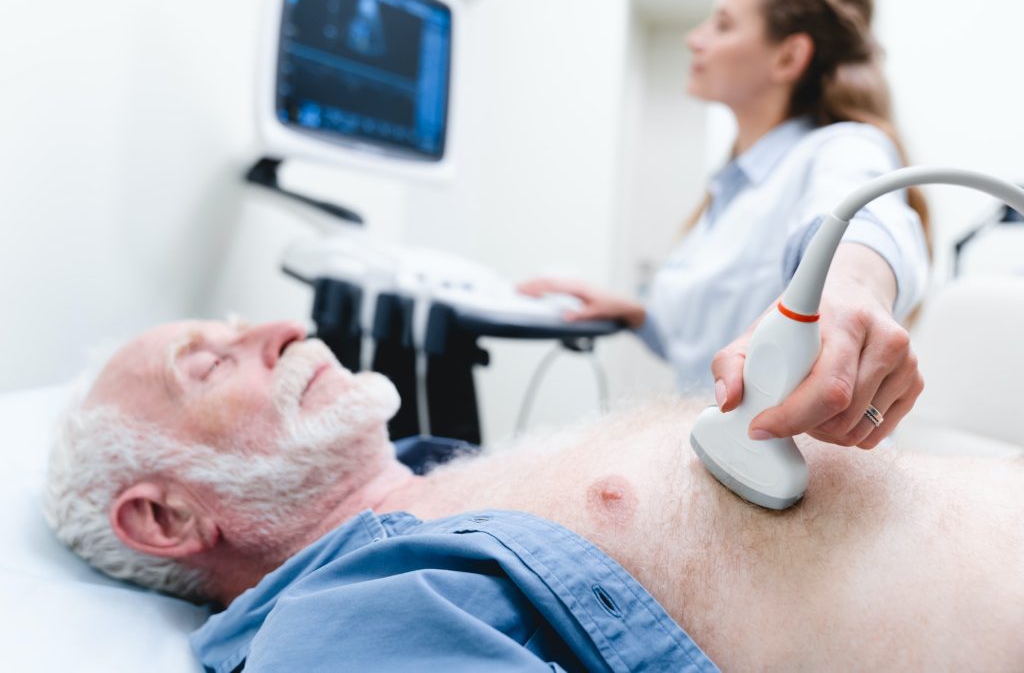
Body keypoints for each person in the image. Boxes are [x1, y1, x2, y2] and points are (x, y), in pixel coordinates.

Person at [46, 320, 1024, 671]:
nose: (277, 324)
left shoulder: (457, 478)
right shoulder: (337, 629)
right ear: (167, 518)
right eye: (208, 361)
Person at [520, 0, 929, 452]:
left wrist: (855, 288)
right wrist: (639, 316)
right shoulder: (730, 188)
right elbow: (708, 340)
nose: (695, 39)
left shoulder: (843, 148)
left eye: (722, 24)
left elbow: (861, 217)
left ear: (789, 57)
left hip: (798, 473)